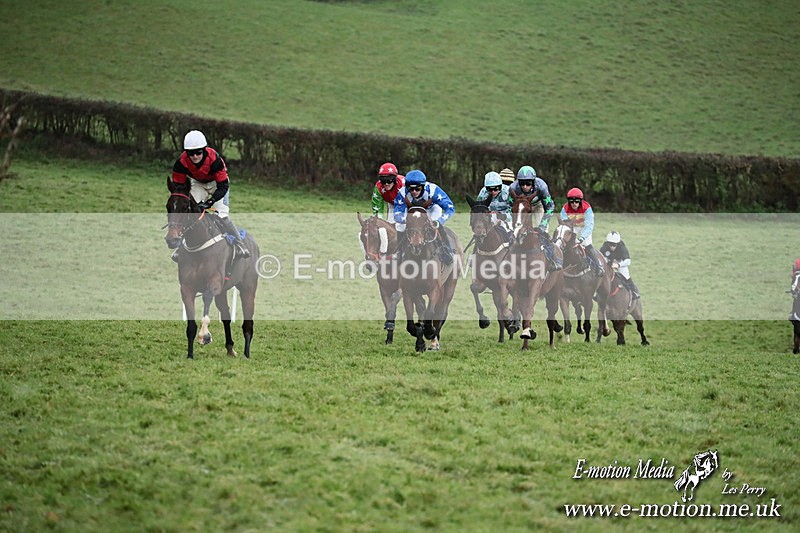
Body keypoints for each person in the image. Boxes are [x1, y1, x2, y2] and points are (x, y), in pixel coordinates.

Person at [171, 130, 250, 259]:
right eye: (191, 153)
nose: (195, 156)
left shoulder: (214, 159)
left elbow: (223, 186)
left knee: (222, 216)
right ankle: (181, 246)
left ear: (204, 150)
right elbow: (179, 187)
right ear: (186, 153)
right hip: (198, 183)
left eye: (198, 152)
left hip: (217, 184)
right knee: (189, 213)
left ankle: (240, 244)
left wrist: (210, 202)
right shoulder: (181, 162)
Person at [393, 169, 456, 265]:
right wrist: (407, 220)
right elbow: (397, 214)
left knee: (437, 225)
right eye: (411, 189)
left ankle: (447, 250)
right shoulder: (402, 193)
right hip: (412, 212)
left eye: (417, 189)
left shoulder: (433, 190)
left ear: (423, 186)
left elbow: (450, 208)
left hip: (431, 210)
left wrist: (440, 220)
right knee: (400, 226)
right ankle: (399, 252)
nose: (414, 192)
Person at [508, 165, 562, 270]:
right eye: (522, 183)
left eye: (528, 183)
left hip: (538, 206)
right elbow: (511, 207)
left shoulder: (541, 186)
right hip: (521, 207)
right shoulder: (513, 188)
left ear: (533, 182)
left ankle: (553, 259)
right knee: (515, 230)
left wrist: (543, 225)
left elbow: (550, 207)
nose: (524, 186)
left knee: (542, 232)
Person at [560, 187, 604, 276]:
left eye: (576, 201)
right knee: (563, 243)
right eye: (571, 201)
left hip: (584, 227)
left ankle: (598, 266)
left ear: (580, 201)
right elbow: (564, 224)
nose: (574, 204)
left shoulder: (587, 208)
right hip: (573, 227)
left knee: (587, 243)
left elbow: (589, 226)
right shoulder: (565, 208)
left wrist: (581, 238)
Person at [600, 231, 639, 299]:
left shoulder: (622, 248)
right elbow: (601, 256)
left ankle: (634, 291)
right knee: (600, 274)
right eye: (610, 244)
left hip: (620, 263)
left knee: (625, 275)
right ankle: (597, 292)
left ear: (617, 243)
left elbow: (628, 261)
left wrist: (618, 265)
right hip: (609, 262)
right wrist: (607, 261)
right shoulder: (605, 246)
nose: (612, 246)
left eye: (614, 245)